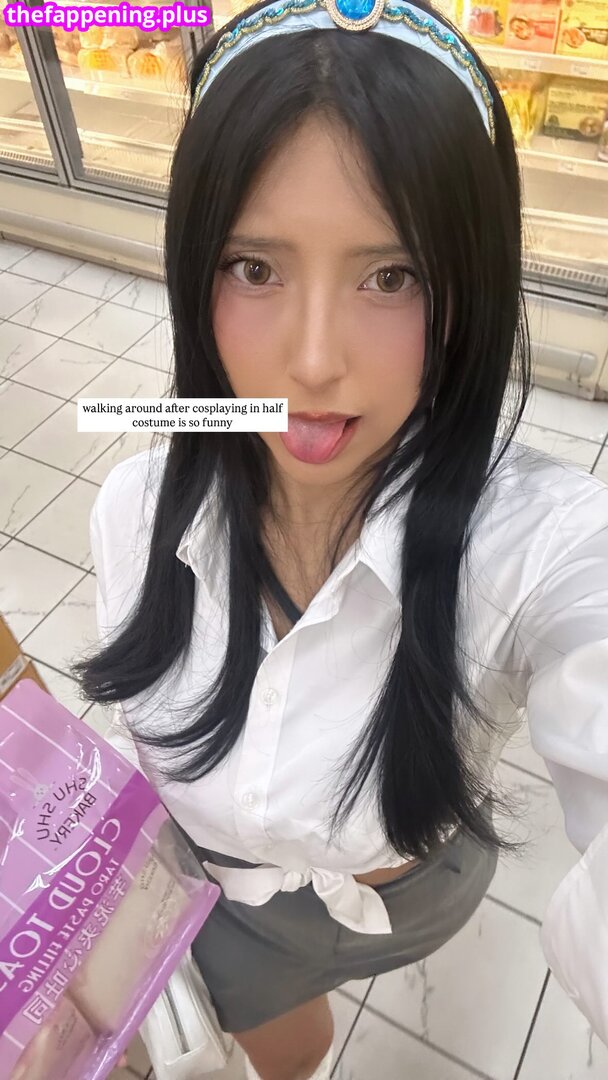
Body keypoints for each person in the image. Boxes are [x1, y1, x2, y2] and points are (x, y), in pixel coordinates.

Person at [73, 1, 608, 1077]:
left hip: (404, 899)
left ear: (465, 293)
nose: (312, 361)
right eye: (254, 268)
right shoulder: (134, 507)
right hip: (223, 901)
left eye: (390, 277)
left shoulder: (539, 544)